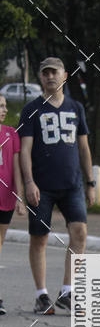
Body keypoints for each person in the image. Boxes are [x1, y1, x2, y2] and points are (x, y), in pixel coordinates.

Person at [19, 57, 96, 315]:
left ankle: (67, 290)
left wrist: (90, 182)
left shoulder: (76, 108)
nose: (50, 76)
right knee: (39, 238)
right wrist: (28, 182)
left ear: (64, 76)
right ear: (40, 78)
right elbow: (25, 150)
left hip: (72, 184)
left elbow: (83, 147)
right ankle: (41, 294)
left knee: (80, 233)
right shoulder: (31, 109)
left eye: (55, 72)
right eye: (45, 73)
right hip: (42, 185)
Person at [0, 94, 26, 314]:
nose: (4, 110)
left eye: (5, 106)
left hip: (5, 196)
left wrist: (19, 197)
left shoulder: (11, 134)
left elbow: (17, 167)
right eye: (0, 106)